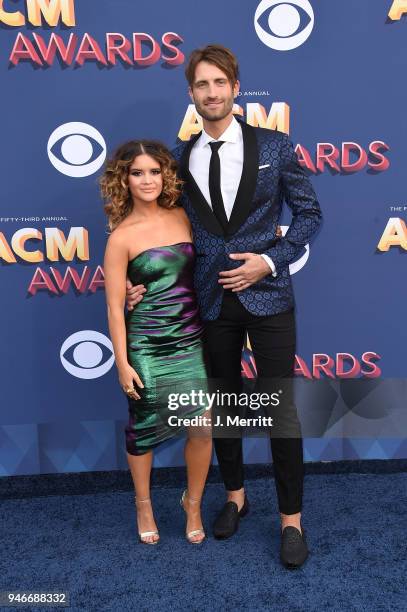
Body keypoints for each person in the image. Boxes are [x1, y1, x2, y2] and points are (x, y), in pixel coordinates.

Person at [126, 45, 322, 568]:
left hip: (269, 296)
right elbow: (160, 231)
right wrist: (140, 280)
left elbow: (308, 215)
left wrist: (269, 261)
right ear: (190, 94)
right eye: (201, 85)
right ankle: (235, 495)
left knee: (279, 410)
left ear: (235, 87)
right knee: (225, 407)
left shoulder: (276, 147)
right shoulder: (178, 157)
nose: (211, 93)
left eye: (220, 83)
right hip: (210, 301)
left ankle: (291, 521)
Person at [101, 140, 212, 545]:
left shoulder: (183, 216)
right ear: (124, 180)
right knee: (143, 429)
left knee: (201, 428)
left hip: (190, 340)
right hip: (146, 346)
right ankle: (143, 503)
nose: (147, 180)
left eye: (154, 171)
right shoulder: (120, 237)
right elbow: (115, 308)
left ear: (165, 174)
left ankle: (193, 503)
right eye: (137, 172)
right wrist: (122, 363)